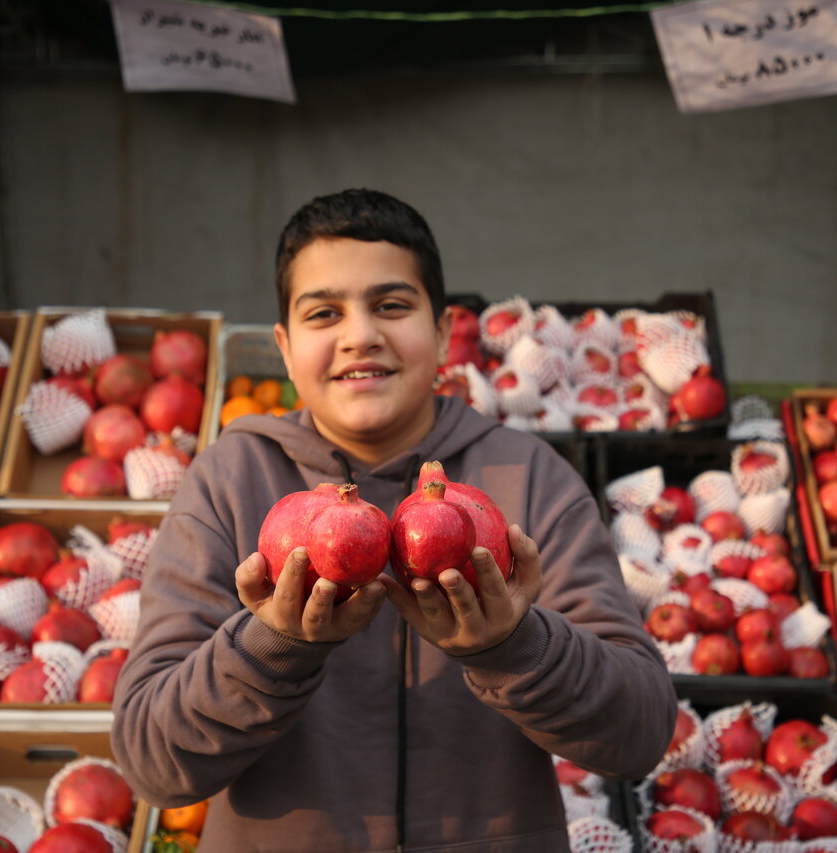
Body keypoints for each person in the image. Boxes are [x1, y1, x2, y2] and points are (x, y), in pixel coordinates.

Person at [111, 188, 677, 852]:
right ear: (286, 349)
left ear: (442, 331)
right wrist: (272, 649)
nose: (360, 334)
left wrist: (515, 646)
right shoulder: (231, 479)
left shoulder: (528, 477)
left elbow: (638, 733)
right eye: (324, 313)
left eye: (391, 305)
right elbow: (152, 760)